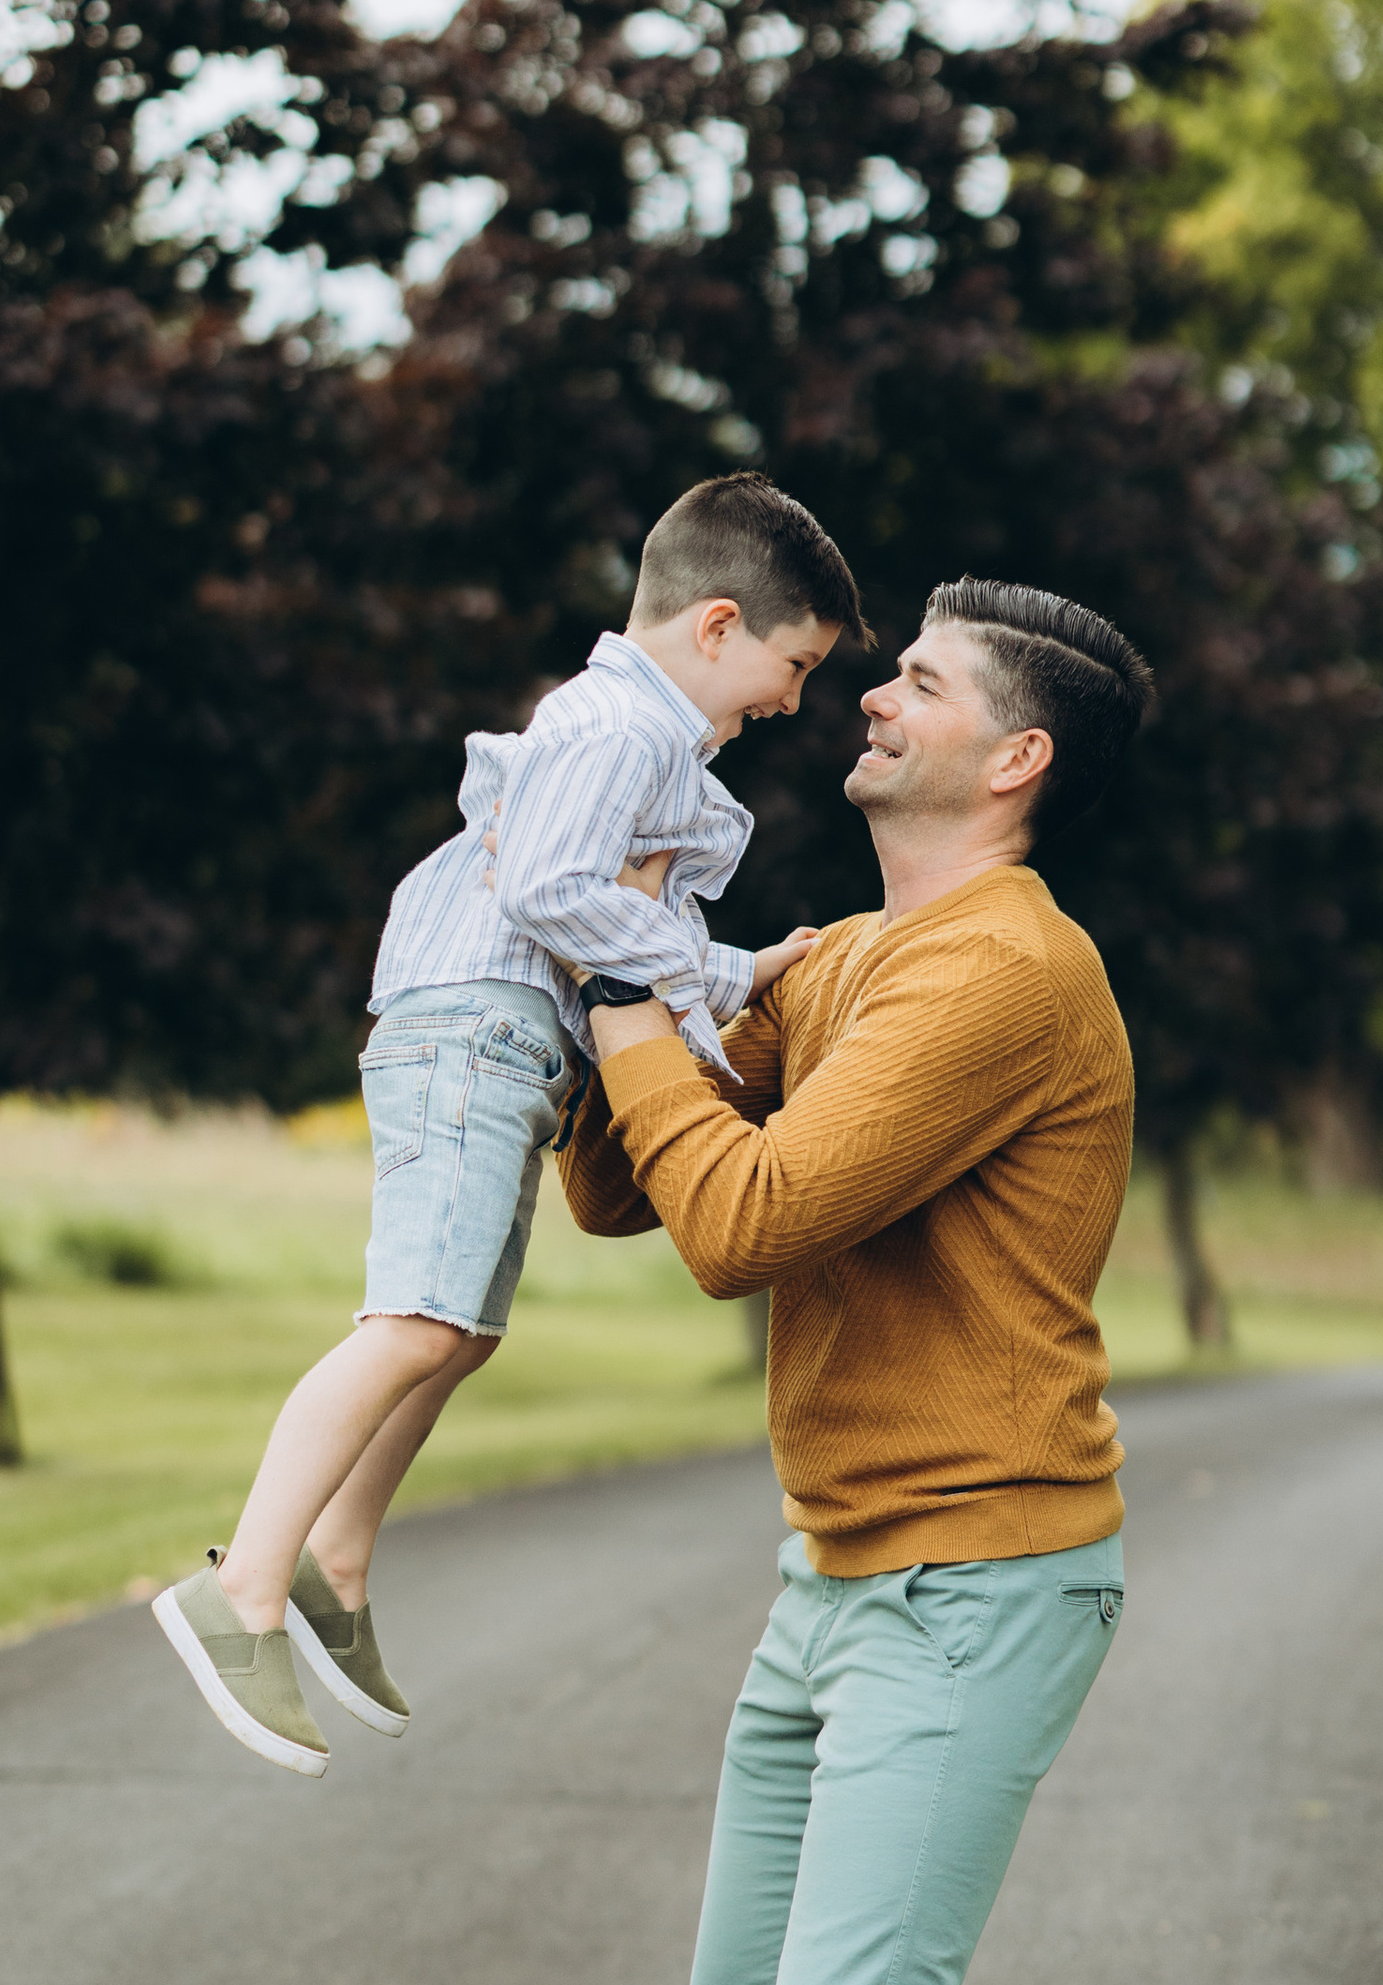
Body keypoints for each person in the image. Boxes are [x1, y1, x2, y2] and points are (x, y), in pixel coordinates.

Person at [556, 576, 1153, 1985]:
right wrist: (639, 985)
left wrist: (621, 982)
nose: (873, 692)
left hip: (979, 1577)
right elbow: (629, 1188)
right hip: (836, 1578)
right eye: (883, 664)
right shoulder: (837, 960)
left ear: (1016, 760)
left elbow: (746, 1221)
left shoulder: (1001, 973)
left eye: (920, 679)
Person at [153, 475, 865, 1776]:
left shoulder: (648, 740)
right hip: (472, 1030)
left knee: (461, 1333)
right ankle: (240, 1585)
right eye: (796, 666)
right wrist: (703, 971)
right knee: (413, 1322)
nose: (794, 702)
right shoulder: (619, 728)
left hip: (505, 1044)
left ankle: (334, 1560)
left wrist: (744, 969)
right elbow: (549, 888)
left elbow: (621, 911)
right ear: (718, 625)